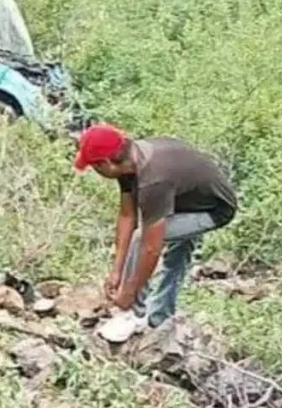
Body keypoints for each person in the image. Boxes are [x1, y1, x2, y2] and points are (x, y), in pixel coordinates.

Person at [73, 124, 238, 343]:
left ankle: (133, 315)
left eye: (93, 166)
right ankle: (161, 317)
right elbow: (127, 216)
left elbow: (150, 248)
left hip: (213, 209)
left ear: (105, 163)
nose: (95, 171)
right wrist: (117, 272)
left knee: (144, 240)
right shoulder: (129, 162)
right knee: (173, 252)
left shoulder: (153, 180)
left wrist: (128, 293)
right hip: (183, 197)